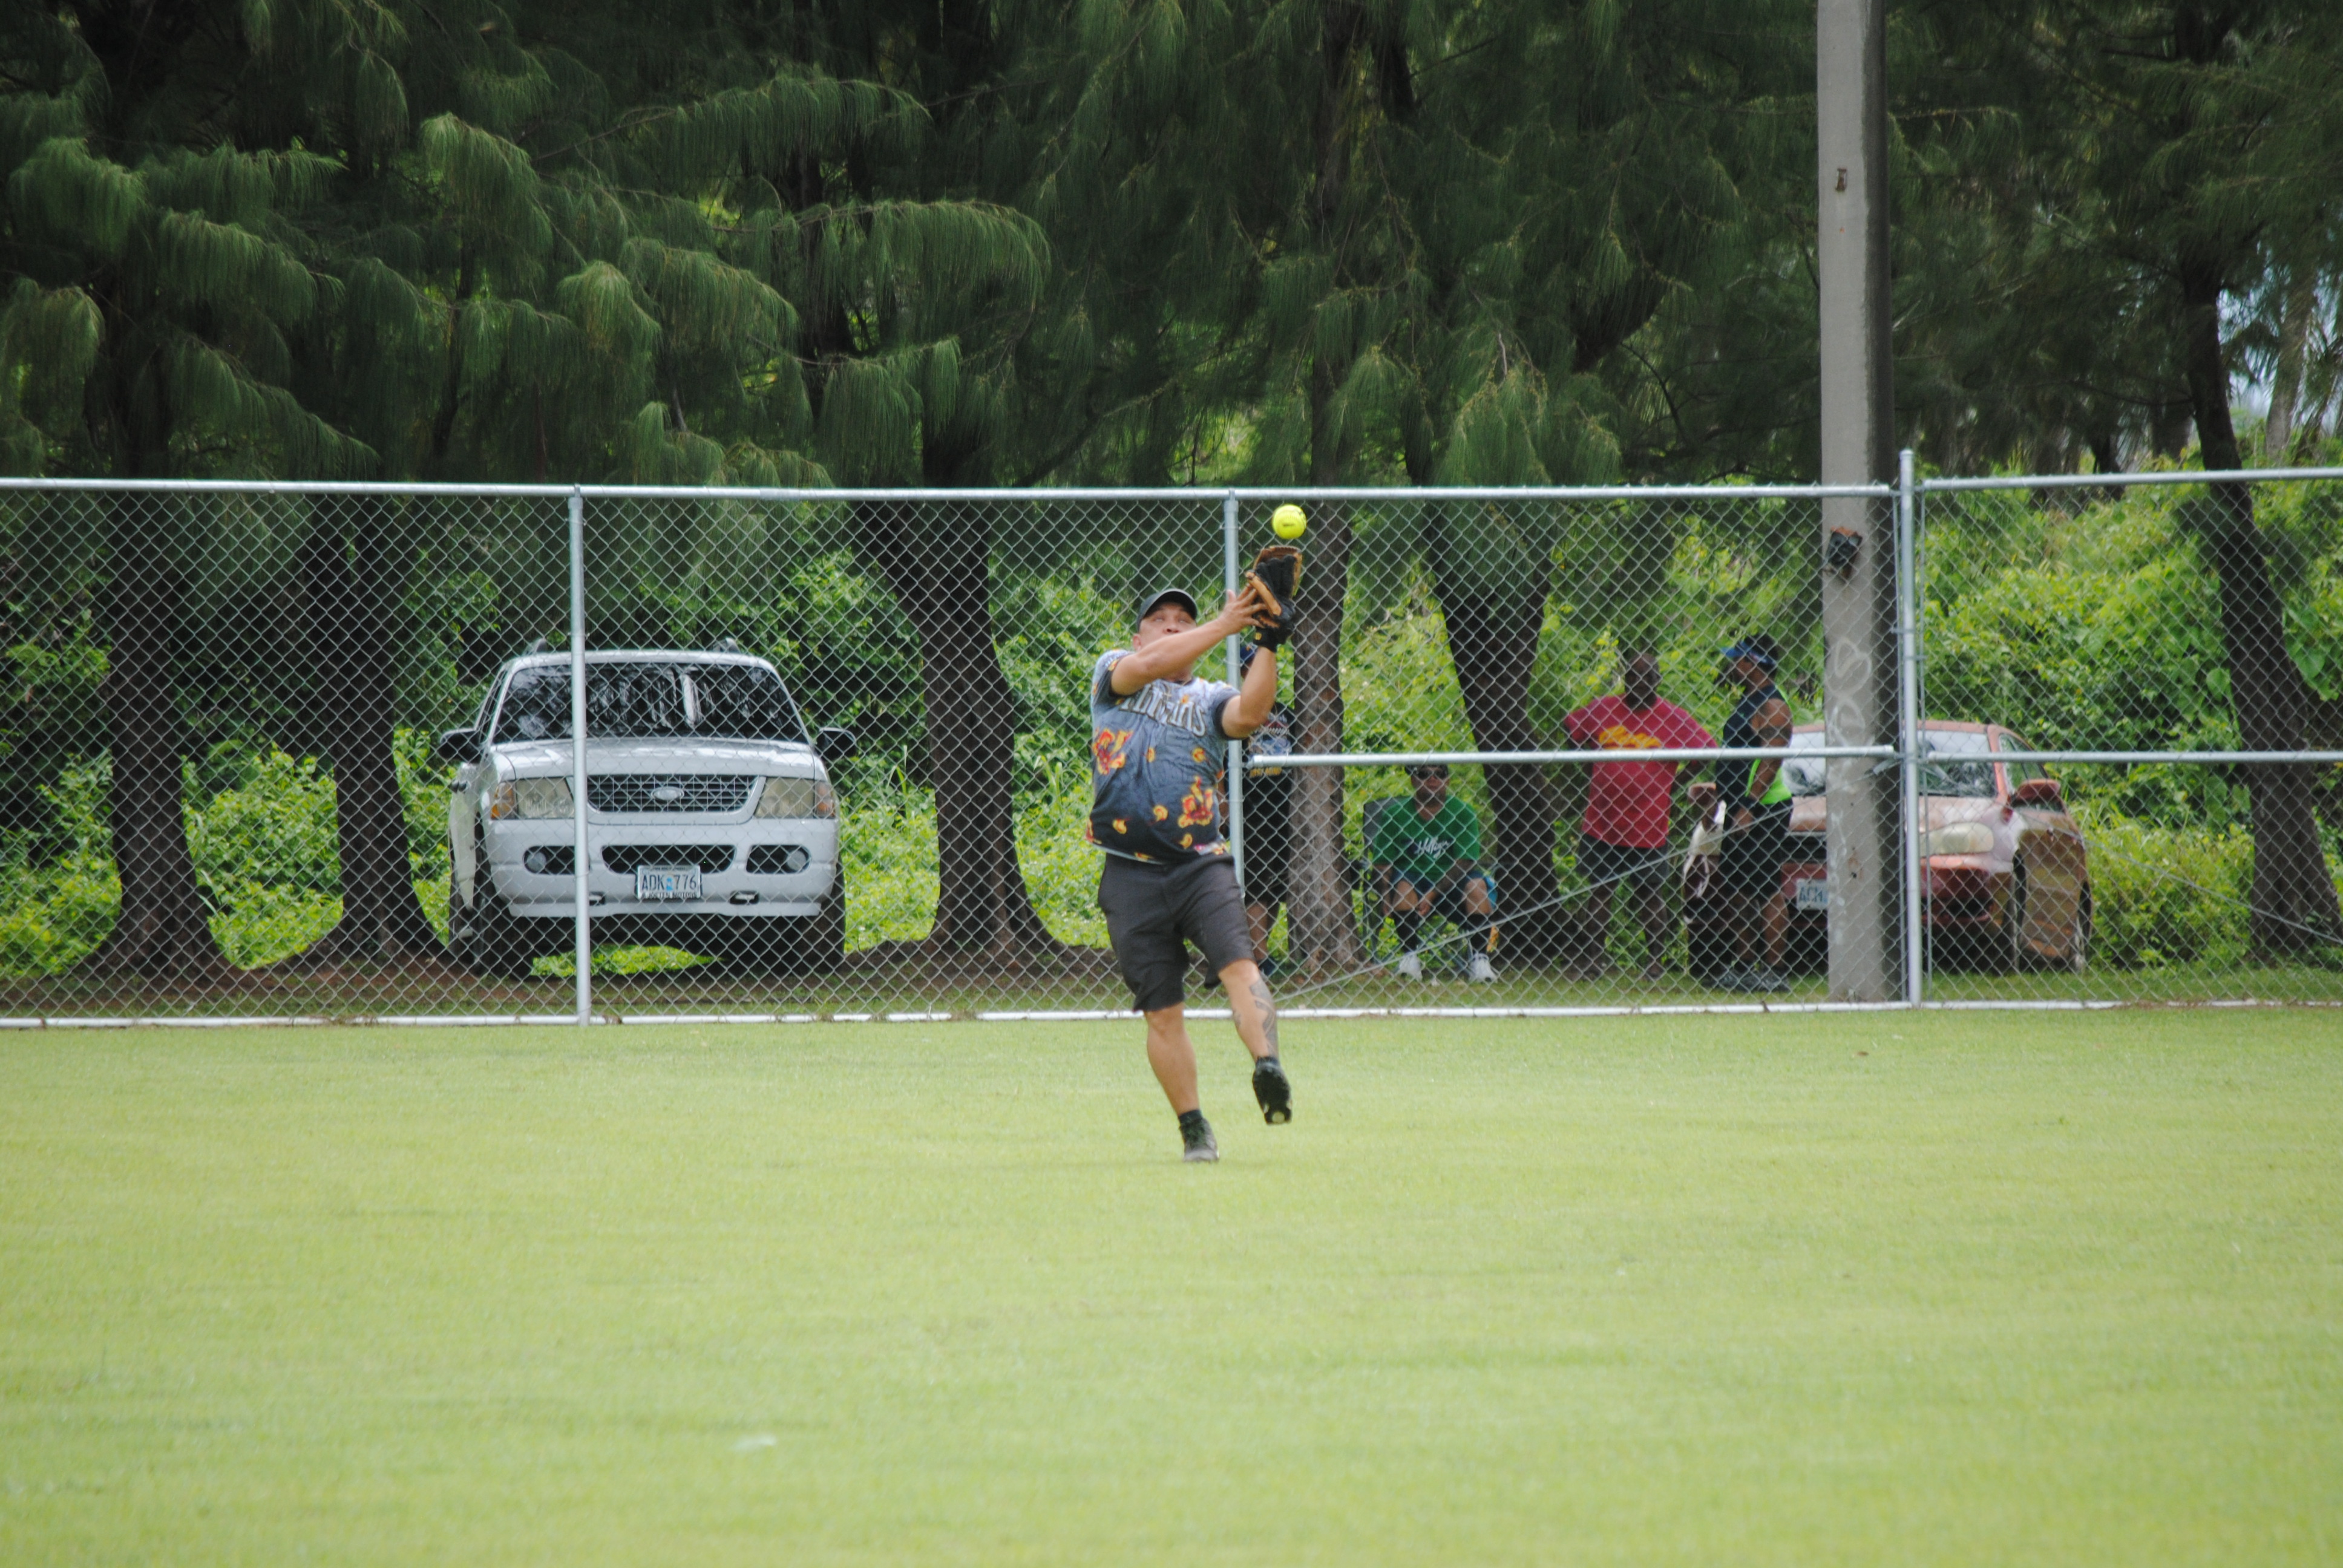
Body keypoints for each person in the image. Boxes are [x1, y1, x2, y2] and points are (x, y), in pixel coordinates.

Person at [1089, 586, 1292, 1163]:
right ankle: (1194, 1128)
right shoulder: (1115, 673)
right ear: (1139, 638)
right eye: (1161, 621)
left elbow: (1252, 715)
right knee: (1162, 1010)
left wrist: (1268, 642)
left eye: (1185, 620)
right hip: (1129, 873)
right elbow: (1150, 667)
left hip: (1201, 865)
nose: (1174, 628)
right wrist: (1228, 623)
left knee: (1239, 964)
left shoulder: (1211, 697)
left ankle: (1268, 1065)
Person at [1562, 650, 1716, 980]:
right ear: (1626, 678)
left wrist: (1675, 783)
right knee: (1600, 891)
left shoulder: (1672, 717)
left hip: (1648, 826)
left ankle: (1655, 962)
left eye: (1647, 677)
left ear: (1657, 680)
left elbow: (1706, 750)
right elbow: (1572, 728)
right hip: (1602, 823)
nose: (1638, 684)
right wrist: (1591, 765)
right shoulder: (1605, 708)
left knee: (1650, 894)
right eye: (1632, 676)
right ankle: (1594, 961)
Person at [1700, 636, 1795, 993]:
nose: (1733, 666)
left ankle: (1775, 971)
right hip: (1739, 807)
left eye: (1738, 660)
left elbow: (1770, 761)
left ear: (1753, 663)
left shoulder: (1774, 706)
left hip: (1763, 810)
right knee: (1738, 887)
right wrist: (1719, 799)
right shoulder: (1748, 700)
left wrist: (1749, 807)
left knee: (1767, 888)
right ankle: (1743, 966)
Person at [1369, 762, 1498, 982]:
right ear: (1413, 780)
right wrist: (1384, 897)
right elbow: (1382, 865)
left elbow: (1465, 861)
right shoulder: (1396, 815)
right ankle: (1411, 957)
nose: (1432, 779)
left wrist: (1433, 893)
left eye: (1440, 774)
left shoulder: (1462, 812)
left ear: (1447, 781)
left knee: (1477, 886)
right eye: (1424, 774)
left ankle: (1480, 960)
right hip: (1413, 883)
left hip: (1452, 884)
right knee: (1401, 888)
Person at [1233, 645, 1294, 975]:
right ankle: (1259, 955)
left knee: (1276, 885)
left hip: (1285, 809)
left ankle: (1262, 950)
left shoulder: (1289, 715)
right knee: (1256, 883)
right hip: (1251, 811)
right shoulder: (1236, 713)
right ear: (1242, 674)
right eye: (1250, 669)